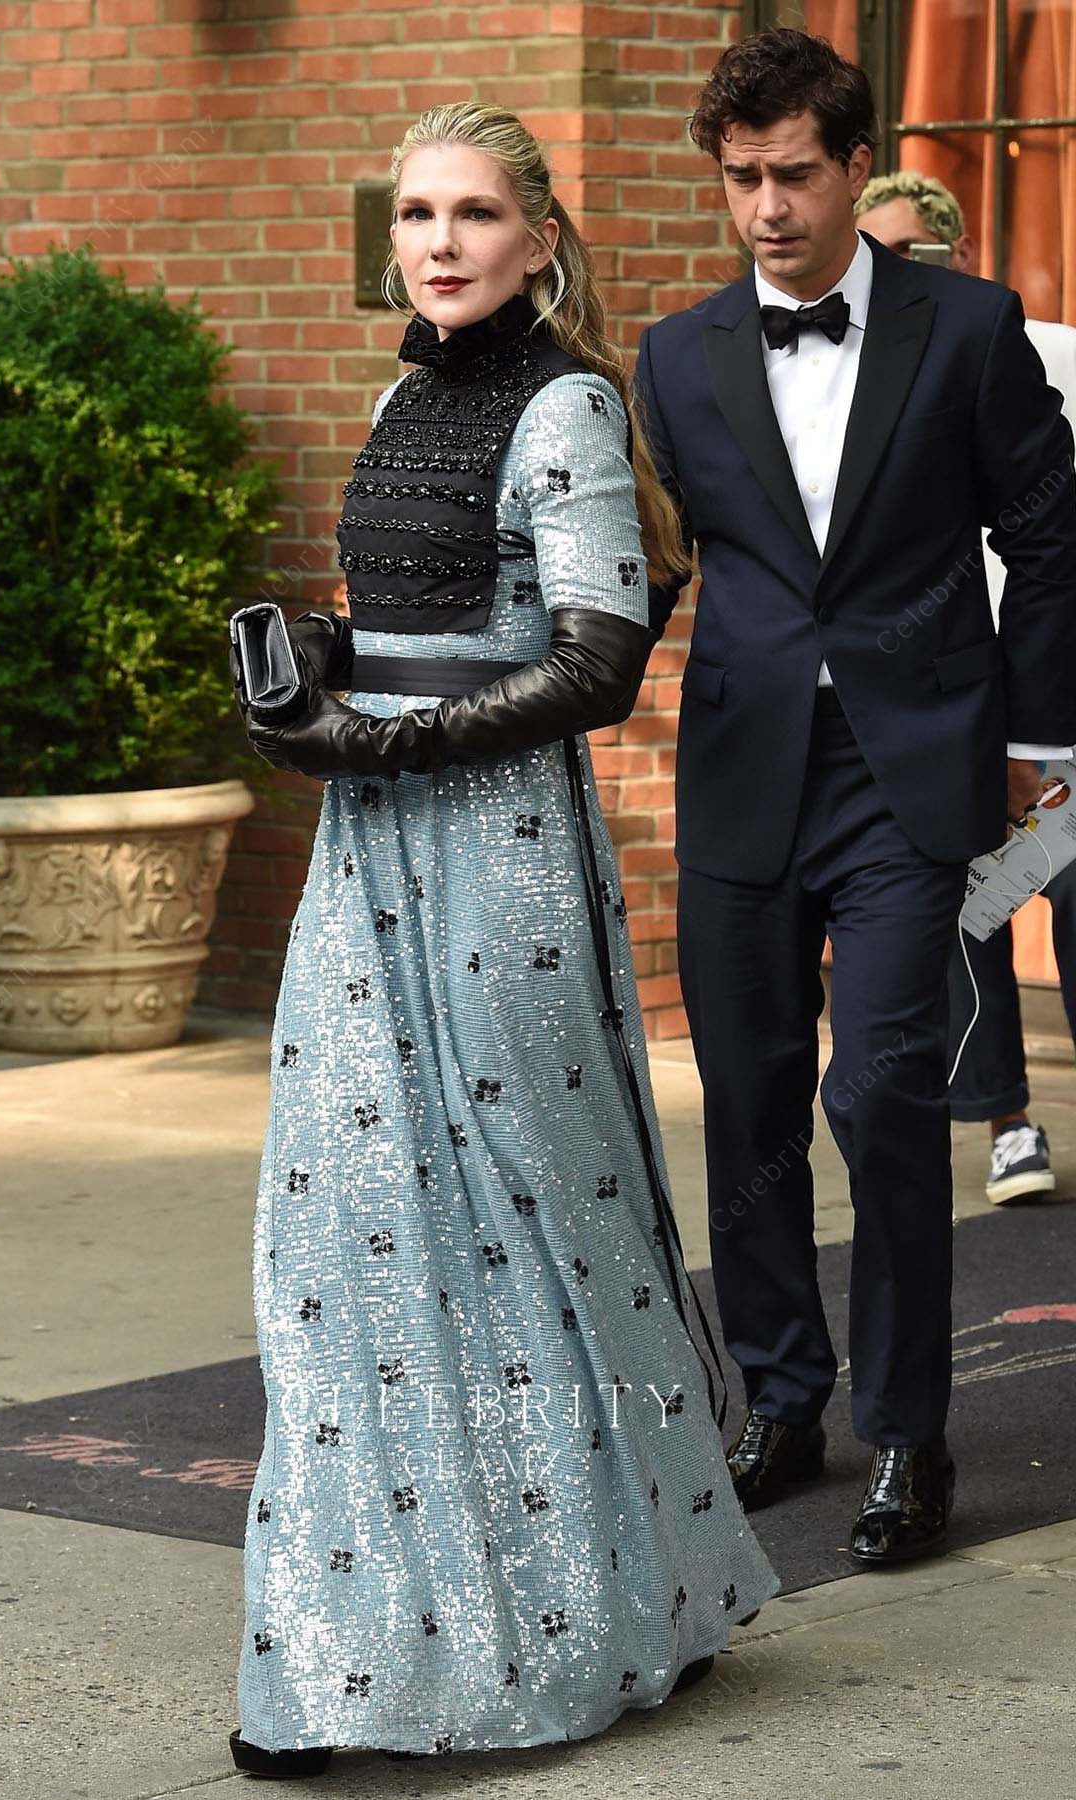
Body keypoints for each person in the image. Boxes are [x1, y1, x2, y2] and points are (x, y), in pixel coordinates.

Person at [226, 101, 778, 1780]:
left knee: (534, 1210)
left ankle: (597, 1607)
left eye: (475, 214)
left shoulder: (572, 404)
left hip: (505, 861)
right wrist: (314, 660)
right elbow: (410, 621)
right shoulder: (399, 398)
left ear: (541, 238)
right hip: (366, 859)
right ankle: (347, 1650)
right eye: (415, 214)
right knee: (348, 1226)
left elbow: (600, 661)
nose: (442, 243)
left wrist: (377, 741)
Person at [633, 27, 1076, 1566]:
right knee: (747, 1097)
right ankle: (780, 1395)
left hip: (915, 767)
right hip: (745, 769)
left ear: (851, 162)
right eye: (741, 179)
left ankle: (908, 1431)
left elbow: (1049, 529)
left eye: (794, 175)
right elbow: (661, 564)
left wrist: (1043, 737)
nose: (766, 207)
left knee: (882, 1091)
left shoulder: (967, 329)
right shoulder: (676, 358)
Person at [856, 169, 1076, 1204]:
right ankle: (1009, 1124)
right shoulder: (843, 383)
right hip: (944, 693)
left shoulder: (1054, 353)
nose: (894, 275)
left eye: (917, 255)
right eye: (877, 253)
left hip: (1056, 686)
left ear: (962, 256)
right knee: (971, 906)